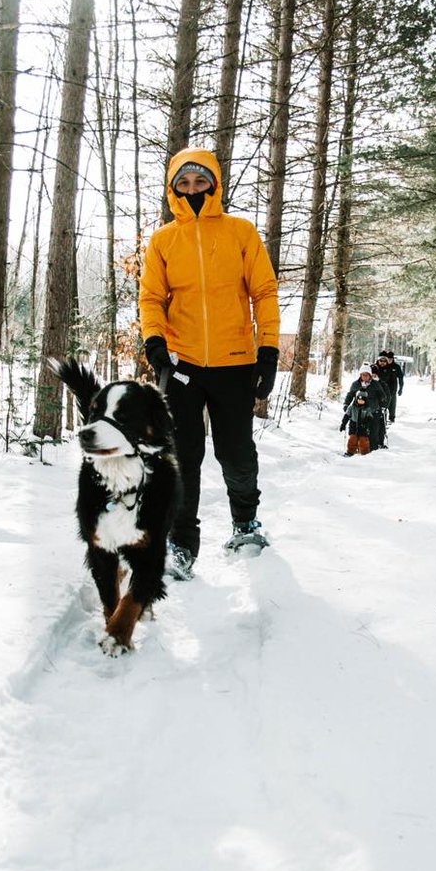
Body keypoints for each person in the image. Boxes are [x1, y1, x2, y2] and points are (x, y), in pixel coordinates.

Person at [139, 147, 281, 580]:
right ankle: (181, 543)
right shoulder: (164, 240)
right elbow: (151, 298)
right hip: (181, 366)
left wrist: (269, 349)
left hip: (235, 363)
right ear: (172, 188)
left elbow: (264, 292)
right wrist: (154, 341)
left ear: (215, 184)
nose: (192, 190)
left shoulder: (241, 232)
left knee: (236, 452)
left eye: (200, 181)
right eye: (183, 183)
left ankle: (246, 524)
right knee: (183, 456)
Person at [340, 364, 388, 456]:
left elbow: (382, 395)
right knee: (358, 432)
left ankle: (373, 450)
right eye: (363, 374)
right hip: (359, 412)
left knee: (373, 432)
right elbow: (350, 395)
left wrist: (383, 402)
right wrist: (346, 404)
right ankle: (355, 449)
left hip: (373, 411)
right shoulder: (355, 384)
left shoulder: (375, 384)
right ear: (360, 375)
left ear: (370, 375)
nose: (364, 376)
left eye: (367, 374)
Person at [375, 349, 404, 423]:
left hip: (390, 390)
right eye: (381, 360)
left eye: (384, 360)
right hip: (377, 390)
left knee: (391, 405)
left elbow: (399, 378)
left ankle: (391, 418)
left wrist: (400, 388)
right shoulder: (375, 367)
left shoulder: (393, 368)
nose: (382, 362)